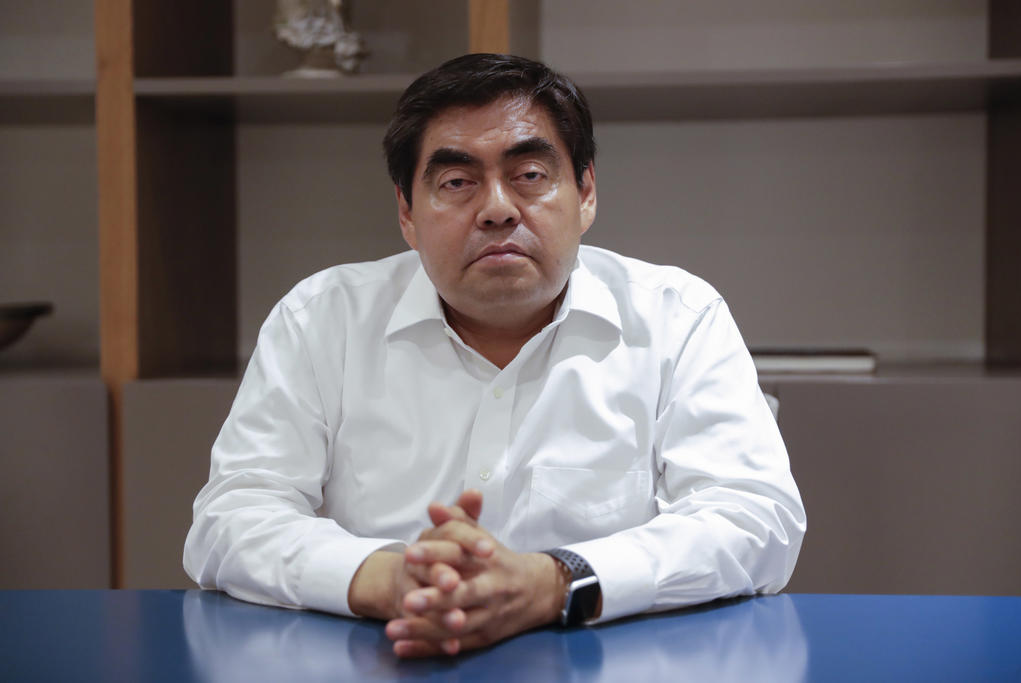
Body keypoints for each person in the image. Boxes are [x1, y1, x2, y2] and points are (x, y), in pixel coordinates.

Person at [183, 53, 806, 658]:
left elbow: (755, 518)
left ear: (586, 192)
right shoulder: (322, 318)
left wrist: (554, 583)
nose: (498, 209)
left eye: (529, 175)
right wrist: (389, 579)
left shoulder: (678, 318)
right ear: (406, 213)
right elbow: (232, 516)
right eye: (457, 182)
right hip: (380, 654)